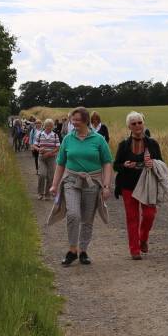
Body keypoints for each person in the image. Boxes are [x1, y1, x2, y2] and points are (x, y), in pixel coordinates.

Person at [49, 106, 113, 265]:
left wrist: (106, 186)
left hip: (92, 182)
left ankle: (83, 250)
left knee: (87, 218)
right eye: (73, 119)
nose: (74, 122)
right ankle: (72, 250)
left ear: (86, 121)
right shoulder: (67, 139)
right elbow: (60, 163)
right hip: (71, 181)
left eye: (77, 120)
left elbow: (107, 162)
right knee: (73, 214)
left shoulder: (98, 139)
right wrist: (54, 185)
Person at [113, 111, 163, 259]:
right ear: (129, 126)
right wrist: (125, 165)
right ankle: (134, 250)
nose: (137, 126)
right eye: (134, 123)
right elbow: (116, 165)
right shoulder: (124, 145)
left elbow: (162, 163)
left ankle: (143, 238)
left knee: (149, 215)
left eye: (139, 122)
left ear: (143, 123)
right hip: (128, 185)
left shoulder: (152, 144)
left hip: (148, 185)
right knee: (132, 218)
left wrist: (152, 163)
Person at [32, 118, 60, 199]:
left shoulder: (55, 135)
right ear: (44, 126)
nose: (49, 127)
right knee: (42, 175)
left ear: (52, 127)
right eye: (47, 126)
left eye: (50, 126)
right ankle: (40, 193)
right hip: (42, 158)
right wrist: (39, 149)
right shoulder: (40, 134)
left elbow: (58, 147)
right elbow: (34, 145)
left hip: (52, 158)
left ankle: (47, 194)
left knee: (50, 176)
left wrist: (50, 153)